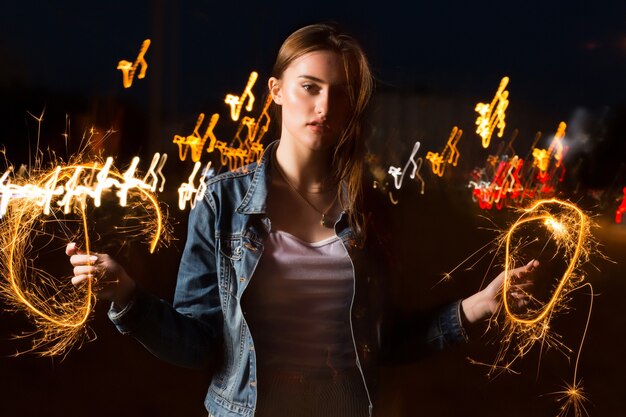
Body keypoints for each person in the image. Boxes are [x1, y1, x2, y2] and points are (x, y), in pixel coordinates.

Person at [66, 22, 538, 417]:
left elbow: (384, 340)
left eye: (341, 93)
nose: (324, 107)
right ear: (275, 91)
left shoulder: (370, 210)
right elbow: (198, 345)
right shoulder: (222, 203)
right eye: (309, 87)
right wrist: (126, 295)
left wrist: (477, 306)